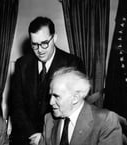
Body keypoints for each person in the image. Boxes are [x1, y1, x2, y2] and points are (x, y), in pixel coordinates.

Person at [10, 16, 86, 145]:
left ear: (54, 38)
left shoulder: (72, 63)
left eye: (44, 43)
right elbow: (17, 104)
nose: (39, 50)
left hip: (56, 136)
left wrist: (45, 136)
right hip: (26, 136)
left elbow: (73, 108)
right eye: (34, 44)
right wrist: (32, 134)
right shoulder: (21, 64)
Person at [37, 67, 122, 145]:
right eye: (50, 95)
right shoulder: (49, 119)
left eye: (56, 96)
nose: (51, 102)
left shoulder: (105, 121)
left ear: (75, 98)